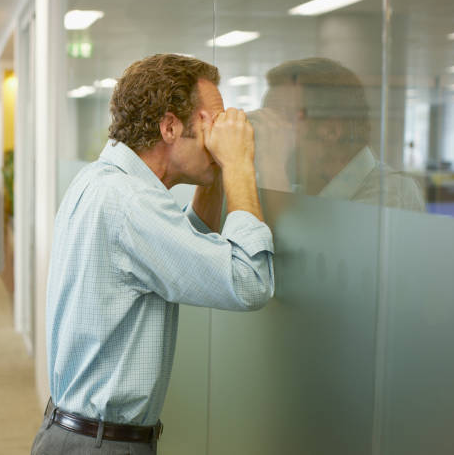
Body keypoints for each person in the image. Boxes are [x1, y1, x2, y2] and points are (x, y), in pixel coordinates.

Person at [30, 54, 275, 454]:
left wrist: (214, 171)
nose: (217, 135)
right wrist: (239, 166)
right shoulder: (129, 202)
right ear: (170, 126)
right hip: (101, 446)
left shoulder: (103, 182)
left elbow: (184, 246)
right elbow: (250, 281)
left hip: (78, 435)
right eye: (209, 122)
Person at [248, 57, 425, 211]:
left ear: (331, 131)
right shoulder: (300, 187)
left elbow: (298, 246)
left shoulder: (392, 193)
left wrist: (272, 163)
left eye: (280, 118)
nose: (269, 129)